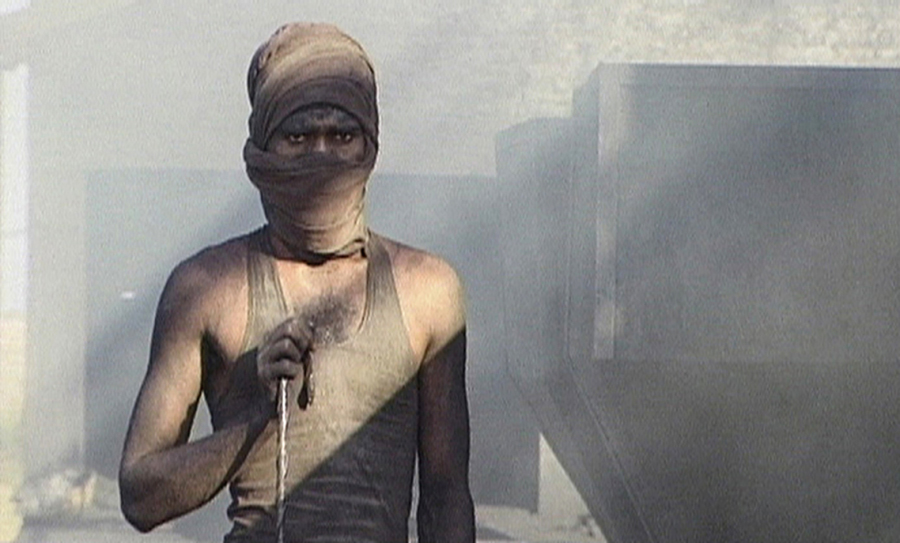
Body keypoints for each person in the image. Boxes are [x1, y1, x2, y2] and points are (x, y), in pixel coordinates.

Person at [118, 22, 475, 543]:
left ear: (370, 145)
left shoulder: (428, 291)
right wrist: (254, 418)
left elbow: (445, 496)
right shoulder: (206, 290)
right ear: (263, 148)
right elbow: (140, 498)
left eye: (342, 136)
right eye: (298, 137)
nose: (321, 156)